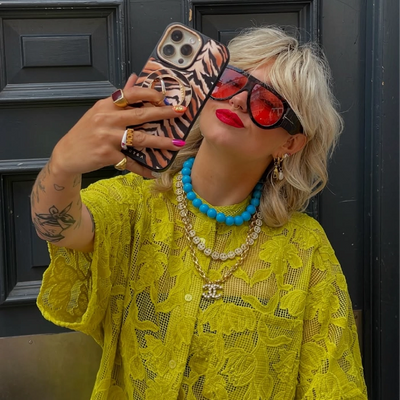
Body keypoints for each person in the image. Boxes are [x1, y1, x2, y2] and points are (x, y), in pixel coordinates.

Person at [31, 26, 367, 399]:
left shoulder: (305, 249)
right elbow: (59, 227)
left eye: (267, 103)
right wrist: (62, 165)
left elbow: (334, 386)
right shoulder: (134, 203)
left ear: (289, 143)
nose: (239, 100)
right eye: (231, 81)